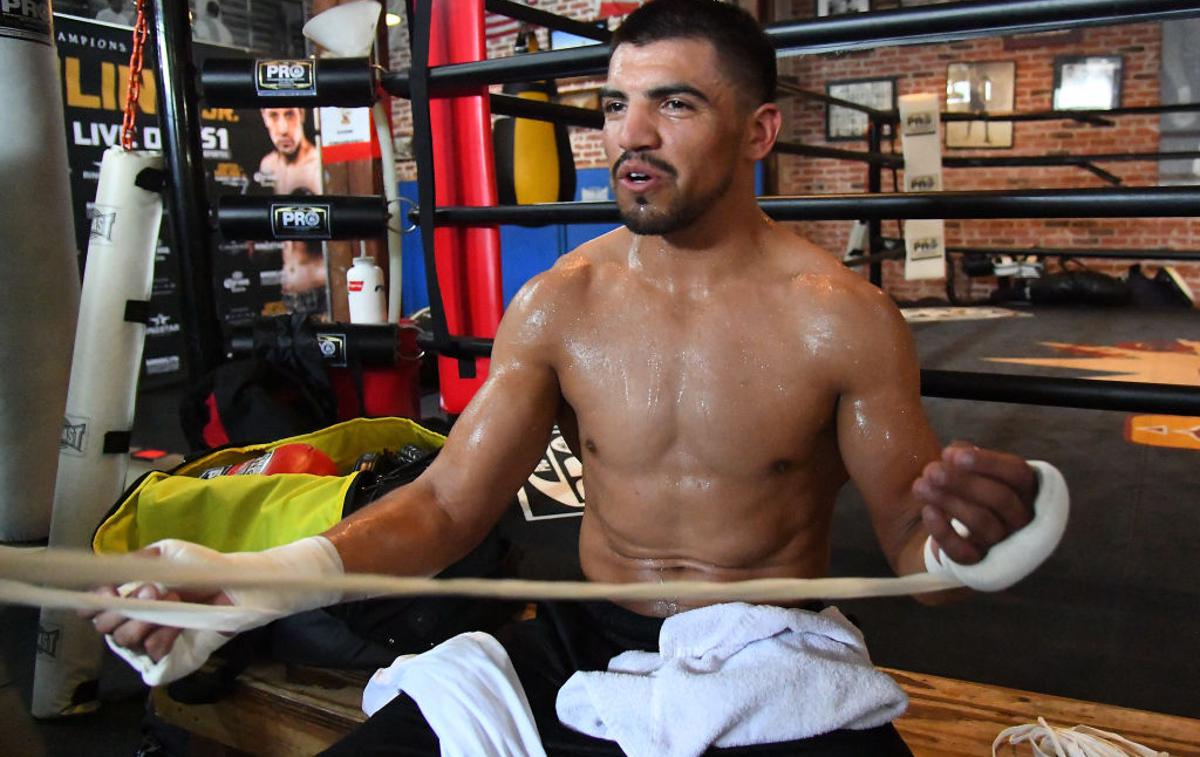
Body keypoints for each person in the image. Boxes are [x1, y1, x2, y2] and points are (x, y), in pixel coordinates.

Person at [89, 1, 1052, 753]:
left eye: (674, 102)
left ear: (758, 133)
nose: (630, 134)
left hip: (768, 650)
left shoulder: (841, 318)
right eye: (614, 104)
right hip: (584, 640)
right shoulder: (561, 304)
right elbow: (449, 504)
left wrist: (975, 544)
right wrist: (259, 581)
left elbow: (923, 564)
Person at [256, 107, 321, 194]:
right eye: (273, 115)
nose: (283, 130)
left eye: (290, 114)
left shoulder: (318, 167)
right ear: (264, 118)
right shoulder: (267, 164)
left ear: (302, 114)